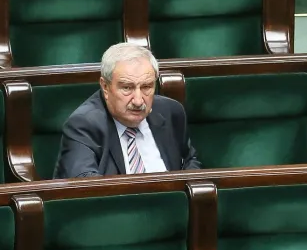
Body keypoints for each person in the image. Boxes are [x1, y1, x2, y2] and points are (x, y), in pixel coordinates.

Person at [53, 42, 202, 179]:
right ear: (105, 87)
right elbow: (84, 186)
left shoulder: (171, 112)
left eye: (146, 87)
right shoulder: (84, 125)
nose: (138, 100)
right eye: (127, 88)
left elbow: (190, 161)